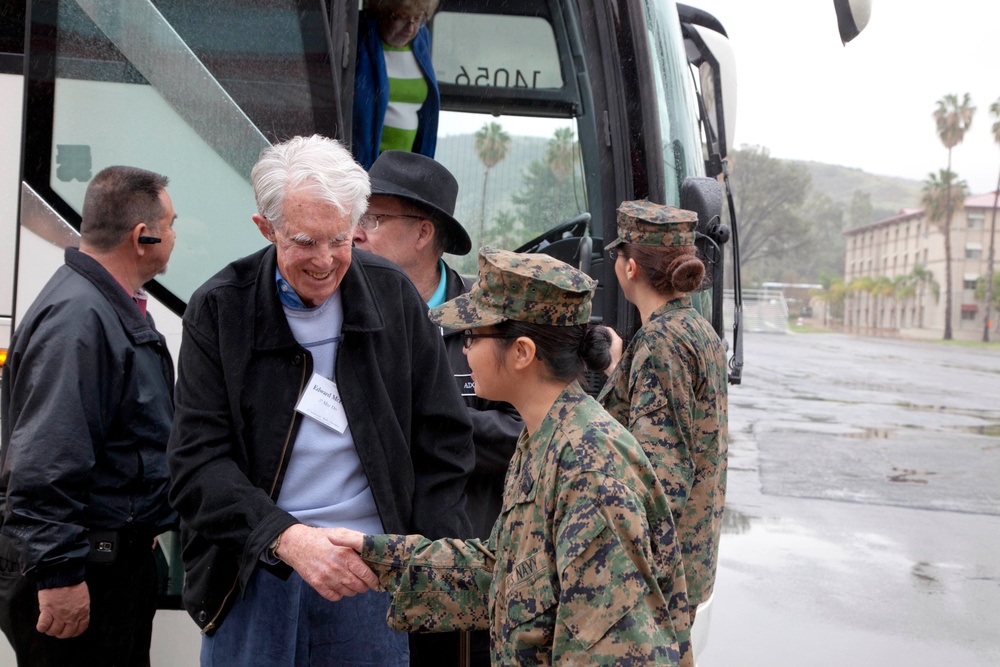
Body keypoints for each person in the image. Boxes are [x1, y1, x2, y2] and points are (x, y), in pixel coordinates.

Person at [166, 134, 475, 667]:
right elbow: (196, 466)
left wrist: (420, 565)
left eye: (341, 241)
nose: (326, 261)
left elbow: (444, 441)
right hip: (253, 574)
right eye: (305, 242)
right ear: (267, 229)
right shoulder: (220, 309)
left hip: (370, 578)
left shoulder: (393, 295)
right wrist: (287, 538)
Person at [330, 247, 693, 666]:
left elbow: (616, 651)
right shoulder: (545, 436)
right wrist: (374, 554)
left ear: (522, 352)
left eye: (472, 336)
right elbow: (500, 569)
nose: (463, 351)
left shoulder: (589, 468)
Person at [0, 166, 179, 666]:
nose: (176, 236)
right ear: (142, 236)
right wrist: (59, 576)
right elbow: (43, 463)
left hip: (111, 561)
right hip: (84, 572)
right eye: (173, 222)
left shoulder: (103, 306)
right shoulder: (80, 319)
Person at [354, 150, 522, 666]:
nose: (356, 233)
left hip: (462, 573)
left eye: (373, 219)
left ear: (423, 233)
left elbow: (524, 432)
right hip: (368, 570)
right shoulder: (340, 311)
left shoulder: (492, 324)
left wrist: (425, 425)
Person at [598, 200, 729, 627]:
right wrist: (623, 370)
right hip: (688, 563)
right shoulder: (694, 329)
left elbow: (661, 476)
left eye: (618, 255)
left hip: (658, 580)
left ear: (630, 267)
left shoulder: (661, 343)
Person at [353, 0, 441, 170]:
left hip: (406, 164)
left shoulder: (422, 40)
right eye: (402, 18)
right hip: (365, 163)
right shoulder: (362, 37)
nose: (410, 28)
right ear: (382, 12)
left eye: (418, 18)